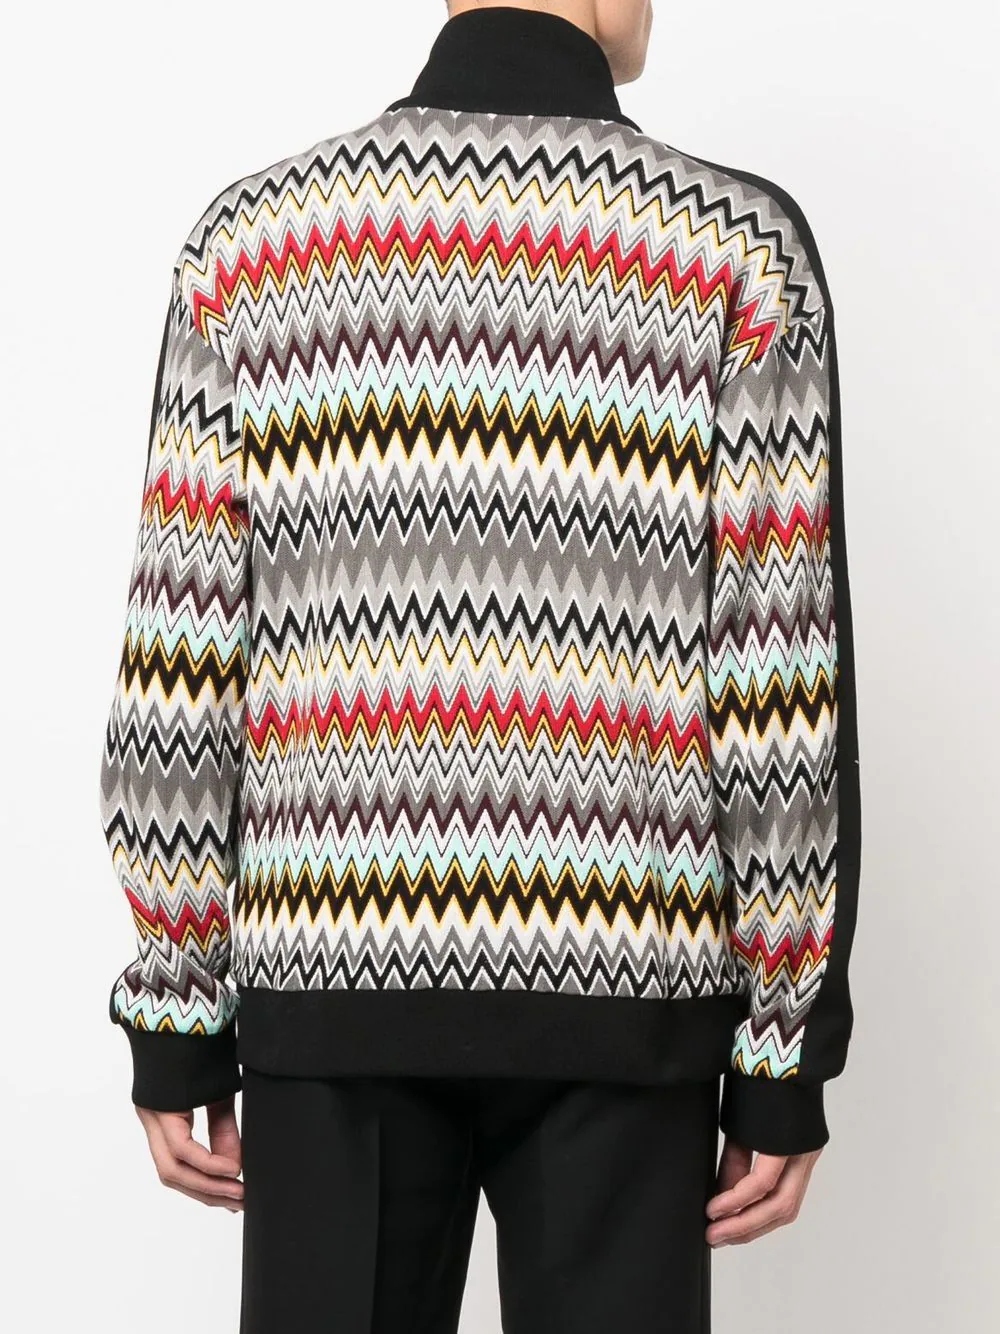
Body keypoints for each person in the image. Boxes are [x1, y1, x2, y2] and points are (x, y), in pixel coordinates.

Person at [97, 1, 862, 1330]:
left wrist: (176, 1004)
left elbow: (181, 658)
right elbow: (779, 680)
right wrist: (783, 1046)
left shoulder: (253, 244)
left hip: (330, 979)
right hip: (628, 992)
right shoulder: (735, 249)